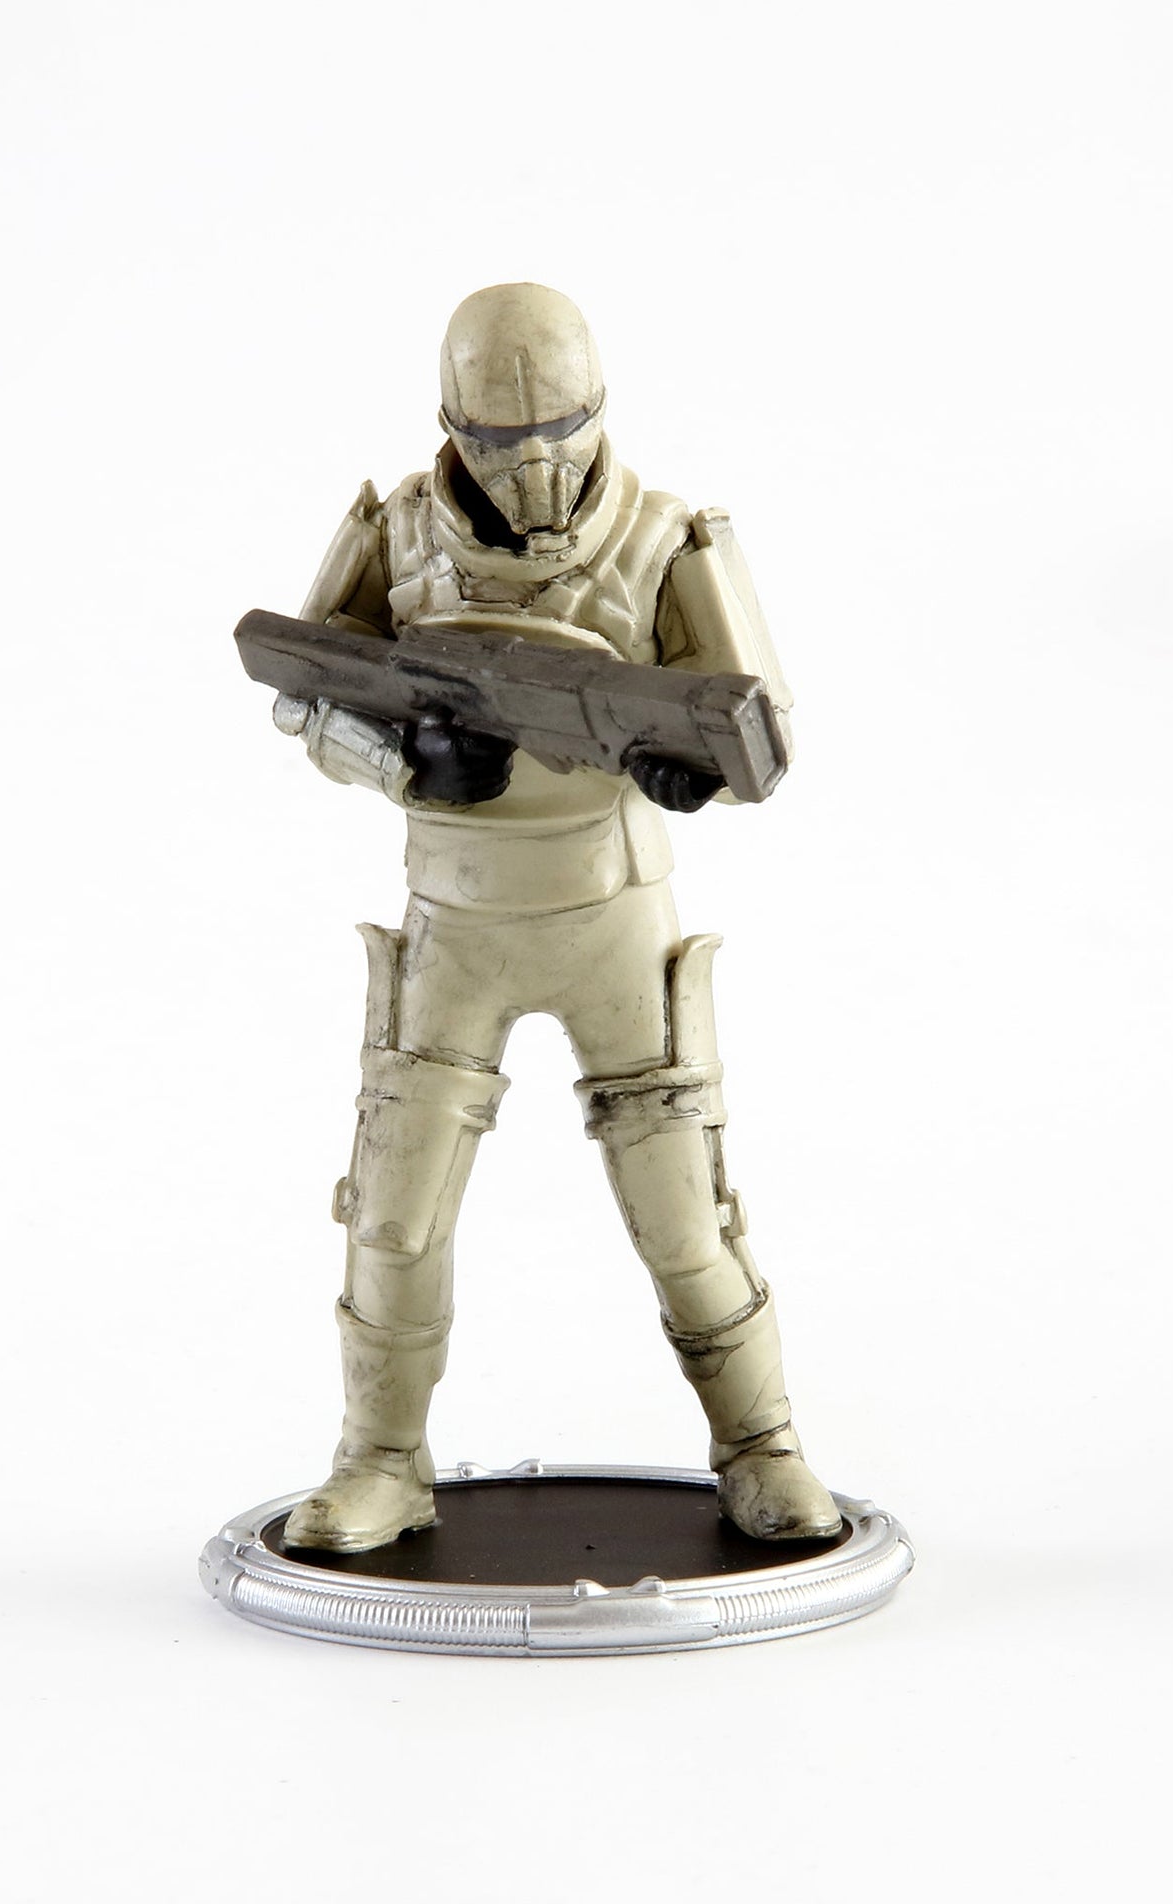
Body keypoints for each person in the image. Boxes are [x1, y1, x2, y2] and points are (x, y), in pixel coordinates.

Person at [271, 283, 841, 1551]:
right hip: (454, 920)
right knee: (394, 1217)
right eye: (499, 440)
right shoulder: (397, 533)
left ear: (599, 410)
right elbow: (305, 691)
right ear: (452, 425)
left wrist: (692, 766)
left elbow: (762, 724)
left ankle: (762, 1445)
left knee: (685, 1219)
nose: (532, 466)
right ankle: (380, 1462)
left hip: (613, 917)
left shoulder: (667, 539)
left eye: (558, 433)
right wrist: (401, 760)